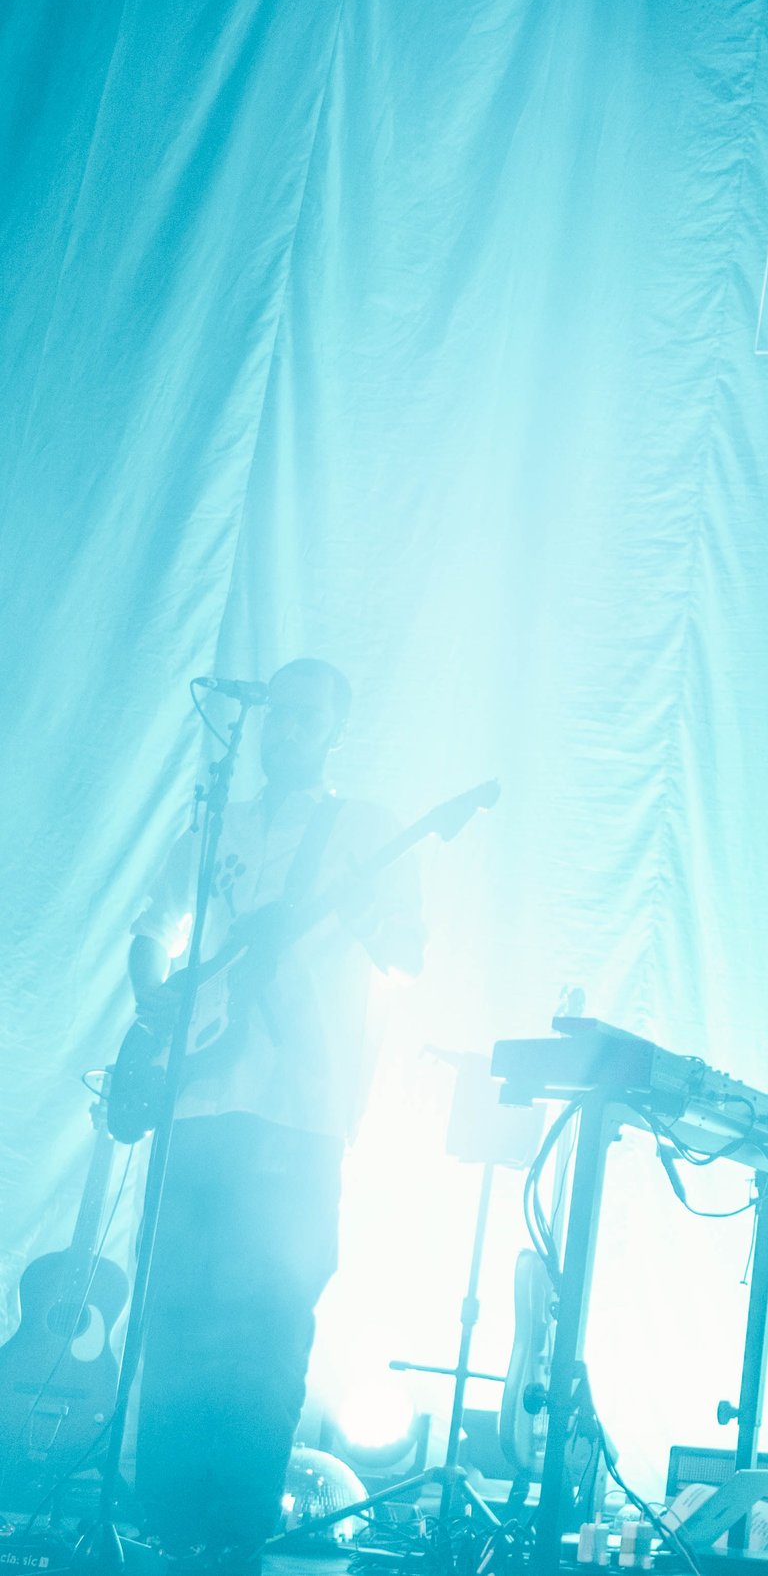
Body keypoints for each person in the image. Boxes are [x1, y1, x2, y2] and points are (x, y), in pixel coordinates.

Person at [127, 658, 424, 1573]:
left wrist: (369, 917)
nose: (285, 730)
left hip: (299, 1109)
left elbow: (407, 954)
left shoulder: (363, 830)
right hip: (200, 1100)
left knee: (268, 1318)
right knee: (176, 1305)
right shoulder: (219, 821)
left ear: (334, 732)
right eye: (277, 715)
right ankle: (163, 1518)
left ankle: (236, 1530)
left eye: (306, 718)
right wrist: (151, 1004)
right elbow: (152, 926)